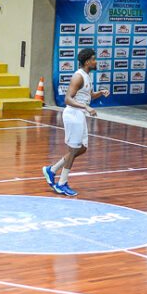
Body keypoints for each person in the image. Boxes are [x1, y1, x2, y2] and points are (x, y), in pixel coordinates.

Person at [42, 48, 109, 197]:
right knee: (73, 150)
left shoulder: (87, 76)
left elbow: (88, 95)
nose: (96, 61)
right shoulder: (78, 77)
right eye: (94, 59)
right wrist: (86, 107)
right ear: (87, 62)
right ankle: (62, 183)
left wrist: (100, 93)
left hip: (80, 114)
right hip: (73, 114)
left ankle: (51, 170)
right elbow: (68, 99)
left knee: (82, 148)